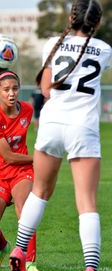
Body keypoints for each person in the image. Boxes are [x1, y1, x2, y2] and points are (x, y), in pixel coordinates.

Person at [9, 1, 112, 271]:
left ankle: (19, 250)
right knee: (87, 201)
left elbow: (45, 89)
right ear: (97, 23)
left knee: (40, 191)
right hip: (83, 127)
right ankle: (90, 266)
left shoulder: (53, 44)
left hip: (52, 123)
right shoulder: (104, 49)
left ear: (71, 17)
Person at [0, 71, 39, 271]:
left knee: (25, 210)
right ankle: (3, 248)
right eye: (6, 90)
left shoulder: (28, 110)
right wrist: (40, 158)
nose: (11, 93)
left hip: (22, 172)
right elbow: (8, 157)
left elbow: (17, 160)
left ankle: (29, 263)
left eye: (15, 88)